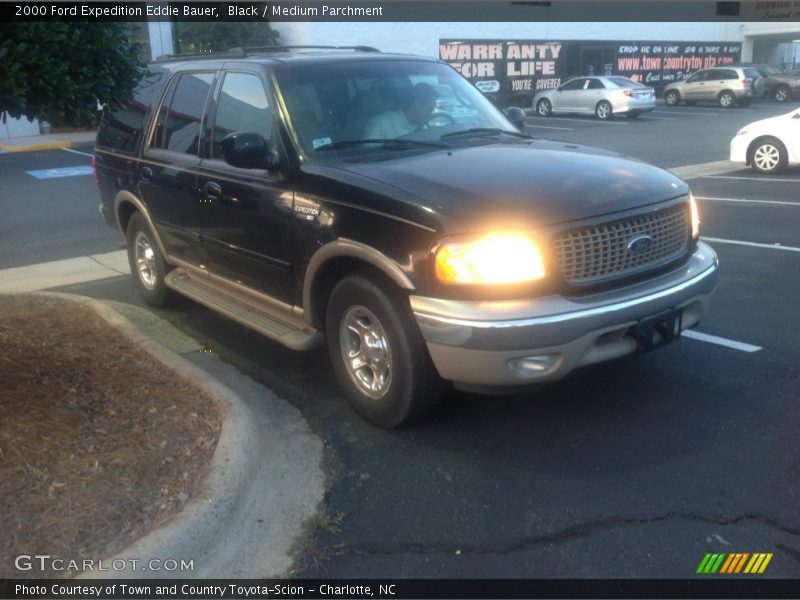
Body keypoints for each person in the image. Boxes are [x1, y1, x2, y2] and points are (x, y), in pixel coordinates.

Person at [364, 82, 438, 139]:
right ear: (416, 103)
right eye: (429, 109)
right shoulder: (382, 123)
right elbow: (366, 155)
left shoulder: (424, 127)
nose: (430, 114)